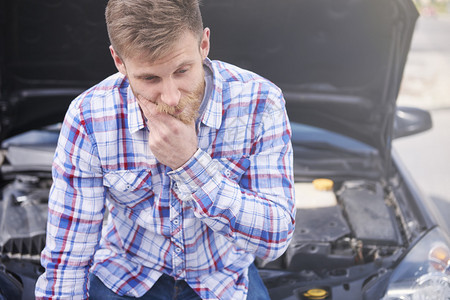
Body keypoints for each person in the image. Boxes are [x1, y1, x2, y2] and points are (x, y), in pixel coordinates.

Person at [35, 0, 295, 299]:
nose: (170, 98)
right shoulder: (89, 116)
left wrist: (189, 164)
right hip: (125, 274)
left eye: (182, 71)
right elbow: (70, 254)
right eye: (149, 78)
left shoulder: (260, 101)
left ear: (204, 44)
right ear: (119, 61)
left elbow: (275, 239)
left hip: (223, 277)